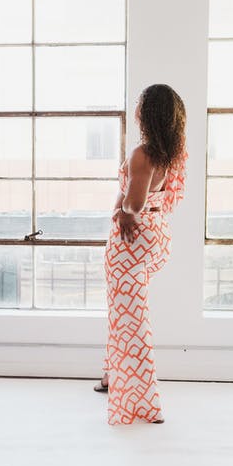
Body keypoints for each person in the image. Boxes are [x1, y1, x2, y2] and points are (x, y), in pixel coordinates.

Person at [96, 84, 188, 425]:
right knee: (122, 311)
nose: (135, 108)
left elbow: (133, 204)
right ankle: (112, 376)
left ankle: (144, 402)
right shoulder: (169, 153)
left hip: (132, 244)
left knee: (131, 320)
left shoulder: (142, 153)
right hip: (157, 237)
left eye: (139, 103)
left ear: (147, 113)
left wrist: (123, 212)